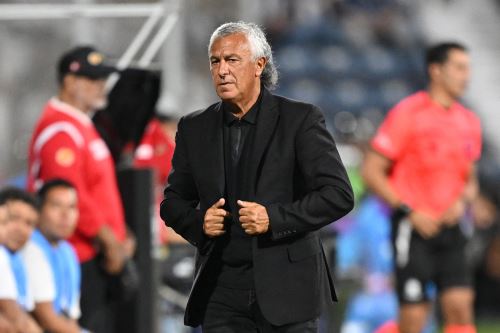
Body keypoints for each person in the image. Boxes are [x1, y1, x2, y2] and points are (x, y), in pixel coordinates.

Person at [160, 21, 354, 332]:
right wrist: (199, 224)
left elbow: (337, 195)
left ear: (258, 65)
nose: (222, 70)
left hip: (288, 290)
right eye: (215, 61)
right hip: (221, 290)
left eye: (232, 60)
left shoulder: (300, 119)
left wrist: (274, 219)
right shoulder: (194, 128)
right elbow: (172, 201)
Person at [362, 42, 481, 333]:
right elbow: (371, 171)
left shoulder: (469, 121)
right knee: (414, 319)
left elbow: (470, 179)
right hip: (412, 229)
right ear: (436, 71)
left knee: (460, 307)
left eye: (468, 68)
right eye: (459, 67)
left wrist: (463, 202)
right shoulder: (407, 113)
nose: (467, 75)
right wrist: (410, 210)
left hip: (451, 228)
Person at [26, 46, 135, 333]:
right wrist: (110, 240)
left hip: (92, 253)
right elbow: (69, 196)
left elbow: (98, 190)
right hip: (76, 252)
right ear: (70, 82)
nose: (101, 87)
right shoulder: (60, 130)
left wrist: (121, 233)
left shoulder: (80, 125)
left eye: (102, 79)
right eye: (92, 80)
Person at [21, 179, 87, 333]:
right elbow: (47, 320)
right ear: (38, 211)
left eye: (71, 207)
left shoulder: (68, 251)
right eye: (56, 206)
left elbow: (71, 317)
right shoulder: (31, 247)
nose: (65, 215)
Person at [0, 188, 42, 333]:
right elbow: (15, 320)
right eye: (13, 219)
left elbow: (24, 316)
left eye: (29, 223)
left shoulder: (16, 260)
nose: (20, 229)